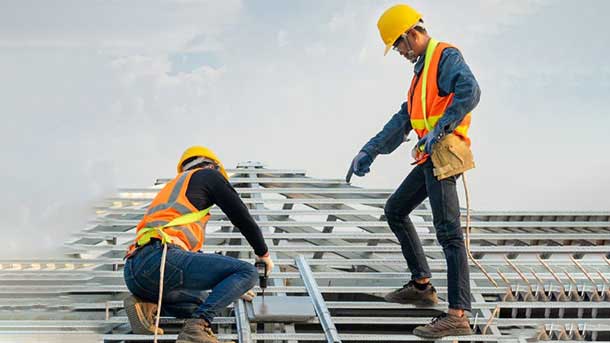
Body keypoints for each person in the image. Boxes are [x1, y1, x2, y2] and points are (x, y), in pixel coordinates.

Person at [347, 4, 481, 338]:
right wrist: (370, 150)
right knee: (395, 209)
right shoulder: (420, 75)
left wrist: (441, 128)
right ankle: (422, 285)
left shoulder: (444, 57)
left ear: (411, 34)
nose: (400, 53)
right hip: (427, 158)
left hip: (444, 154)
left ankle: (457, 315)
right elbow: (403, 120)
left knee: (449, 233)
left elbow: (470, 90)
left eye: (399, 45)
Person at [123, 146, 273, 343]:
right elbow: (240, 215)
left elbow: (192, 260)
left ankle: (147, 306)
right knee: (247, 272)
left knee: (202, 300)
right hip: (162, 258)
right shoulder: (208, 175)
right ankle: (197, 328)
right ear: (213, 166)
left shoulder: (173, 191)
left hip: (136, 272)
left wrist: (234, 287)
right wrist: (263, 254)